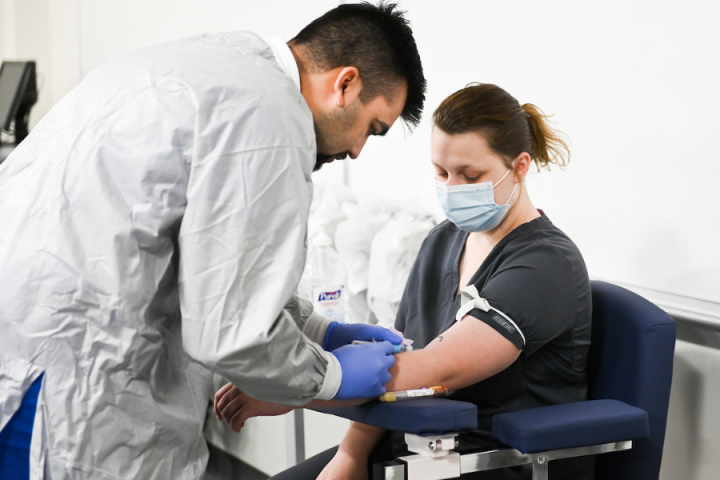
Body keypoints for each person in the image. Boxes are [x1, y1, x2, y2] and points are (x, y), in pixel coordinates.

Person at [0, 2, 426, 479]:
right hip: (68, 373)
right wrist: (331, 375)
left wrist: (318, 330)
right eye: (372, 127)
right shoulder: (270, 117)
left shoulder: (220, 66)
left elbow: (213, 263)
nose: (356, 150)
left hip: (25, 332)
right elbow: (231, 329)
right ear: (344, 83)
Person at [215, 83, 594, 480]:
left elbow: (434, 370)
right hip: (413, 447)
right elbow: (401, 360)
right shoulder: (442, 241)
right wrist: (350, 455)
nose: (452, 188)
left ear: (519, 166)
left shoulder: (545, 264)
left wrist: (294, 388)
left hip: (491, 460)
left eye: (471, 175)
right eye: (442, 172)